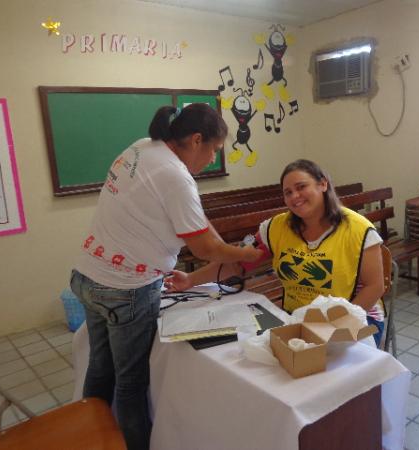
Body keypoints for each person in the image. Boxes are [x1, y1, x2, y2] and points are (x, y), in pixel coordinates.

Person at [69, 103, 263, 450]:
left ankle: (90, 437)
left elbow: (198, 224)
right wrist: (244, 254)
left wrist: (221, 247)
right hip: (124, 291)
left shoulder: (143, 147)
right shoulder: (175, 175)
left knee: (100, 368)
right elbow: (205, 247)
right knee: (130, 383)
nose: (212, 161)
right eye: (214, 151)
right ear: (196, 139)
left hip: (88, 277)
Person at [166, 159, 386, 345]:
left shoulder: (359, 229)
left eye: (301, 187)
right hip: (297, 318)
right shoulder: (276, 228)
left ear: (323, 184)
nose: (294, 196)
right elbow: (238, 263)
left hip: (357, 318)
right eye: (288, 192)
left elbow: (375, 286)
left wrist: (336, 328)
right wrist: (190, 280)